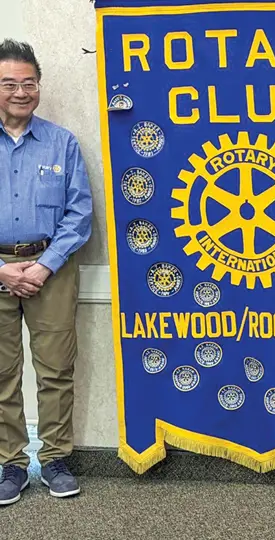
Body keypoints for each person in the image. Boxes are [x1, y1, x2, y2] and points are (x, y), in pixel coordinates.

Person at [0, 39, 92, 506]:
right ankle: (11, 464)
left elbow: (79, 214)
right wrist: (4, 271)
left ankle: (55, 459)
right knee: (1, 373)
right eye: (9, 83)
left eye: (28, 82)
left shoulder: (62, 142)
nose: (21, 91)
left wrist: (42, 266)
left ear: (39, 86)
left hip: (51, 269)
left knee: (56, 369)